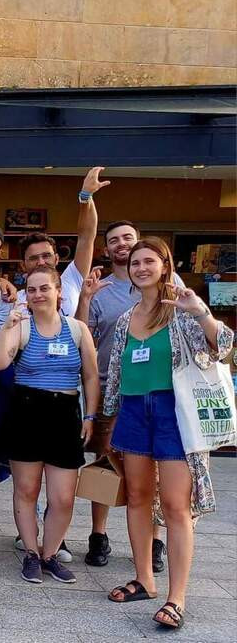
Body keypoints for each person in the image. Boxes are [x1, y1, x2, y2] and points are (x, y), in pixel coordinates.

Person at [103, 237, 233, 630]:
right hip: (132, 411)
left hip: (173, 412)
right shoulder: (127, 318)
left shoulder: (181, 312)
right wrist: (106, 418)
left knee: (177, 505)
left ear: (165, 265)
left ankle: (177, 597)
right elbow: (116, 373)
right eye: (135, 262)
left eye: (149, 261)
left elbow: (224, 347)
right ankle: (145, 578)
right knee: (139, 496)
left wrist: (203, 313)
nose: (141, 267)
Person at [74, 220, 183, 569]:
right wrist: (86, 298)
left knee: (151, 478)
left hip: (164, 399)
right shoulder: (100, 288)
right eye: (115, 241)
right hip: (112, 393)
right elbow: (81, 336)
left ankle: (154, 541)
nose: (123, 247)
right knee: (106, 465)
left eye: (129, 240)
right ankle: (99, 535)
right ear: (108, 249)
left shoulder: (173, 292)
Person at [0, 266, 99, 584]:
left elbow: (90, 376)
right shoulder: (21, 327)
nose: (38, 294)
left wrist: (90, 415)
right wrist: (8, 327)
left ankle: (50, 553)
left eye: (44, 288)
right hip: (26, 411)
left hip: (65, 413)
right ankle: (31, 553)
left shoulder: (78, 329)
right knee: (26, 490)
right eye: (32, 289)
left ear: (58, 291)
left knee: (63, 496)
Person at [0, 166, 105, 333]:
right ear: (23, 265)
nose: (41, 262)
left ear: (57, 259)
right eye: (33, 258)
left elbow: (86, 237)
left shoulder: (71, 280)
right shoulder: (14, 299)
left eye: (46, 256)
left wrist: (86, 196)